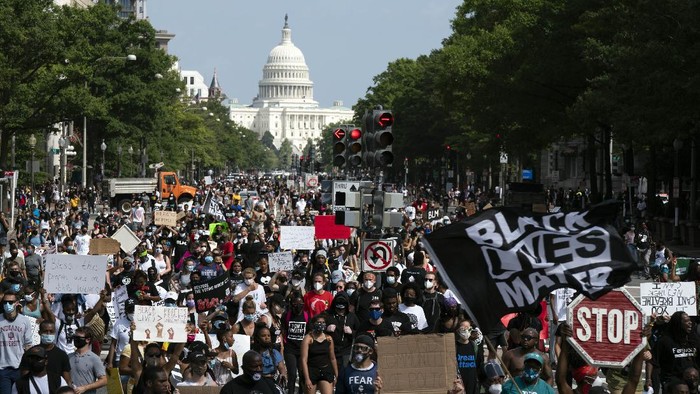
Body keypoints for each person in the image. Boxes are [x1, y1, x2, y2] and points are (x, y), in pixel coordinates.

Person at [653, 311, 700, 388]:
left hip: (691, 384)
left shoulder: (694, 340)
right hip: (672, 385)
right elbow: (654, 362)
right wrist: (650, 380)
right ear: (678, 324)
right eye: (686, 321)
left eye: (690, 320)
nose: (690, 323)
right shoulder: (664, 341)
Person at [19, 320, 72, 387]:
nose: (48, 334)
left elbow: (67, 380)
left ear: (55, 333)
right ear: (39, 332)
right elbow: (24, 378)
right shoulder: (30, 353)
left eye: (51, 331)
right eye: (45, 331)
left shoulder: (62, 355)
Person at [0, 291, 33, 392]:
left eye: (10, 302)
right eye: (5, 302)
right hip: (2, 368)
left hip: (19, 368)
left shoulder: (24, 321)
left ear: (17, 303)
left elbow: (28, 345)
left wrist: (28, 366)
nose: (7, 305)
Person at [300, 314, 338, 394]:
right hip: (312, 371)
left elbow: (332, 358)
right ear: (314, 324)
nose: (321, 324)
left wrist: (336, 374)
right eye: (319, 322)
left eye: (323, 322)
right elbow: (304, 360)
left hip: (325, 370)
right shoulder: (308, 338)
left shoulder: (329, 339)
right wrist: (307, 378)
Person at [282, 293, 308, 394]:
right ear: (291, 304)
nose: (298, 305)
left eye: (300, 303)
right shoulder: (286, 315)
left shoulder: (306, 316)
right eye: (295, 303)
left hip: (302, 350)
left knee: (302, 374)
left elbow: (309, 332)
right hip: (290, 349)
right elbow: (283, 330)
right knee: (292, 374)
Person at [326, 292, 360, 369]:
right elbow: (315, 327)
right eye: (338, 303)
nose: (340, 309)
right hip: (330, 350)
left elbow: (360, 333)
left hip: (346, 351)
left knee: (344, 372)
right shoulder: (327, 315)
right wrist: (326, 329)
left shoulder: (352, 316)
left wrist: (352, 332)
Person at [68, 327, 107, 394]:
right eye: (75, 337)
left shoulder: (94, 358)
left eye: (78, 338)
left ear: (88, 340)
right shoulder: (69, 357)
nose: (75, 340)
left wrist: (85, 388)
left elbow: (104, 380)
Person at [252, 323, 288, 388]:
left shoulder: (275, 353)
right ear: (257, 338)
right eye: (263, 336)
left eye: (269, 336)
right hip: (257, 383)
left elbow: (282, 368)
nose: (267, 338)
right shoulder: (252, 354)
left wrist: (283, 375)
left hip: (273, 383)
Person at [455, 319, 484, 394]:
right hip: (459, 382)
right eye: (463, 328)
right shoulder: (454, 346)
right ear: (458, 330)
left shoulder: (474, 346)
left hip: (472, 382)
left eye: (467, 327)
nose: (465, 330)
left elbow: (478, 364)